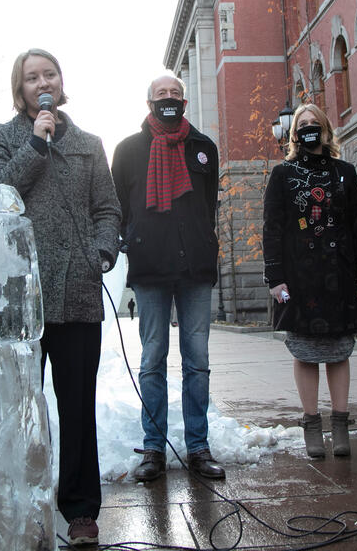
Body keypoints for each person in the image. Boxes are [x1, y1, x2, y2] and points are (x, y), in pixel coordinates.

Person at [0, 49, 121, 547]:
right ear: (20, 90)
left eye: (50, 74)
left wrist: (101, 251)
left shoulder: (89, 144)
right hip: (18, 293)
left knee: (77, 406)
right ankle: (20, 500)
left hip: (77, 290)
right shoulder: (1, 138)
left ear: (62, 82)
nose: (43, 83)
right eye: (31, 77)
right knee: (19, 406)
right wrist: (36, 148)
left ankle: (81, 510)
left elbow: (107, 209)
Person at [111, 73, 226, 483]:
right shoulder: (127, 150)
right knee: (152, 359)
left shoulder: (203, 148)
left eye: (176, 93)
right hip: (150, 267)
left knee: (198, 361)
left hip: (195, 267)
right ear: (149, 102)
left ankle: (198, 447)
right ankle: (154, 449)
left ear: (185, 102)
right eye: (162, 94)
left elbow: (208, 205)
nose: (169, 99)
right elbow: (121, 208)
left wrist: (203, 240)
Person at [262, 103, 357, 458]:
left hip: (340, 274)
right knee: (306, 351)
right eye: (303, 124)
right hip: (299, 277)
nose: (310, 128)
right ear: (296, 133)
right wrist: (275, 277)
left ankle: (340, 424)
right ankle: (311, 423)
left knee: (339, 350)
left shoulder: (346, 172)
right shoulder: (283, 174)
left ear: (326, 130)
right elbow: (272, 229)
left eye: (315, 123)